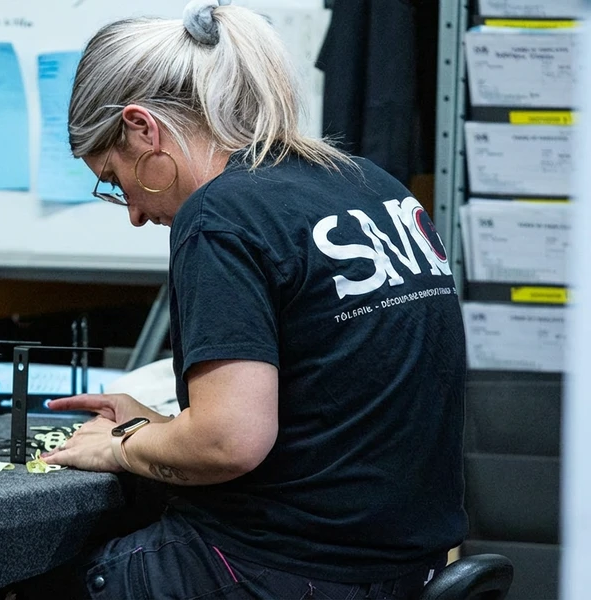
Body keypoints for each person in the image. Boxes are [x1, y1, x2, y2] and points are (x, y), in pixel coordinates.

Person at [41, 1, 468, 598]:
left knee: (31, 576)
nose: (135, 214)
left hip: (287, 570)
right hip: (408, 571)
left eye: (115, 181)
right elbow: (337, 414)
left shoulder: (219, 217)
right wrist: (163, 427)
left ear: (143, 129)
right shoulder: (369, 184)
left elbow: (229, 442)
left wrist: (123, 445)